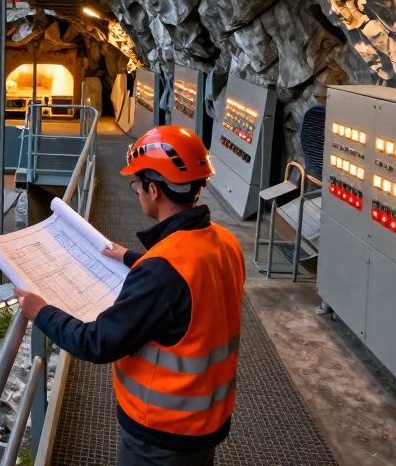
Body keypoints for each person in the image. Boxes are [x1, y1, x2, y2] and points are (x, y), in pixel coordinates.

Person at [15, 125, 245, 466]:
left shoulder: (162, 271)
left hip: (162, 432)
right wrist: (132, 258)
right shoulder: (224, 241)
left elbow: (97, 342)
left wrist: (41, 311)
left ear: (154, 189)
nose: (137, 192)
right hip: (205, 417)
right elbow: (190, 284)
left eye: (136, 185)